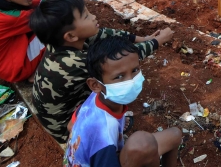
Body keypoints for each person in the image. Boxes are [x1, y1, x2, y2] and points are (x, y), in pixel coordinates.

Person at [30, 0, 174, 144]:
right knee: (110, 83)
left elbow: (102, 34)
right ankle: (108, 126)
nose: (93, 17)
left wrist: (142, 39)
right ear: (71, 35)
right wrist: (158, 41)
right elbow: (123, 60)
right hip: (65, 127)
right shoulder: (72, 63)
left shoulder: (61, 42)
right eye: (86, 16)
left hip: (59, 110)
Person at [64, 36, 182, 167]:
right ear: (95, 84)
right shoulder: (103, 136)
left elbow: (71, 125)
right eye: (119, 76)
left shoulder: (96, 96)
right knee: (142, 143)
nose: (130, 81)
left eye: (135, 70)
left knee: (175, 135)